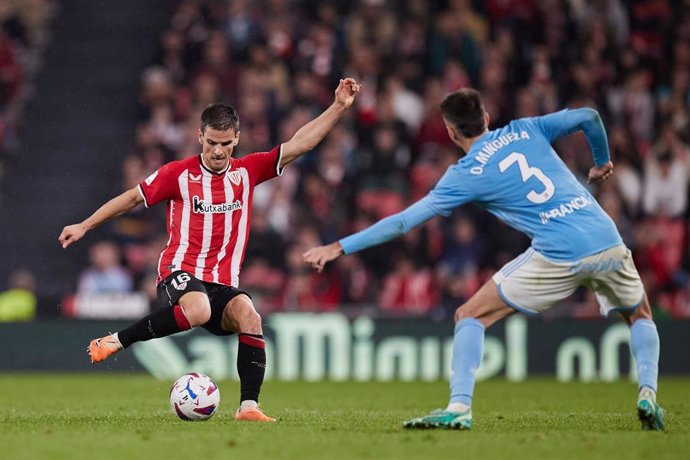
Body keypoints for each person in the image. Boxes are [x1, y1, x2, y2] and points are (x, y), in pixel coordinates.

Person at [303, 88, 665, 431]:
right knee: (639, 314)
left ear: (449, 132)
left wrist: (339, 247)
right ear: (487, 116)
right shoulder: (527, 128)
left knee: (469, 315)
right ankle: (647, 394)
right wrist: (602, 163)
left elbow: (402, 222)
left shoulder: (465, 174)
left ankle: (459, 408)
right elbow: (589, 116)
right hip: (604, 235)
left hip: (558, 251)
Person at [59, 77, 360, 423]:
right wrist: (84, 225)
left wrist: (338, 106)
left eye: (226, 144)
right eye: (212, 143)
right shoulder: (178, 174)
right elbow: (131, 199)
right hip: (178, 272)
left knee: (250, 316)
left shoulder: (248, 172)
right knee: (198, 307)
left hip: (222, 283)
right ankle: (116, 340)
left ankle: (249, 407)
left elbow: (299, 145)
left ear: (237, 140)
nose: (218, 152)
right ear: (200, 137)